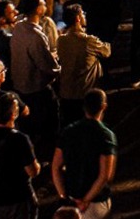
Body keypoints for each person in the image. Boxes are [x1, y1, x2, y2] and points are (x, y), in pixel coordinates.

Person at [52, 89, 118, 219]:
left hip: (72, 198)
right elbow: (105, 175)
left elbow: (55, 167)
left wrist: (63, 195)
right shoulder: (106, 136)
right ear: (103, 107)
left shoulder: (68, 131)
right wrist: (86, 200)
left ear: (84, 107)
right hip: (96, 201)